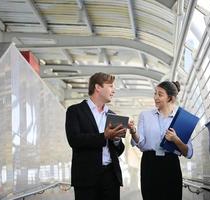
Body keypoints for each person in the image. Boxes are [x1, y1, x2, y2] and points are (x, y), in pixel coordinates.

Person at [65, 72, 126, 200]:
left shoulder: (113, 115)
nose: (113, 90)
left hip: (111, 177)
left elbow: (118, 150)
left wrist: (116, 140)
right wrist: (104, 136)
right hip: (86, 177)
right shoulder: (75, 111)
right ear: (98, 87)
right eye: (110, 86)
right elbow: (74, 140)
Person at [128, 81, 193, 200]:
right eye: (155, 94)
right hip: (149, 163)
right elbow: (141, 144)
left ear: (170, 98)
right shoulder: (145, 115)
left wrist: (176, 139)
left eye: (160, 94)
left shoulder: (182, 119)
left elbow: (188, 153)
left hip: (171, 164)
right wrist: (133, 131)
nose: (155, 97)